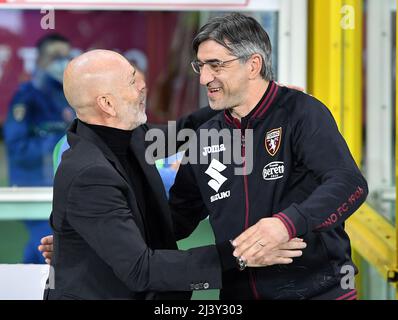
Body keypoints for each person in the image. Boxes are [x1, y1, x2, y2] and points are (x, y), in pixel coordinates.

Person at [42, 49, 305, 300]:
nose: (142, 86)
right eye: (132, 81)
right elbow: (141, 270)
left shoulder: (129, 136)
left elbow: (185, 130)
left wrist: (245, 98)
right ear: (107, 104)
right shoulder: (89, 175)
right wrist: (240, 254)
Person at [167, 13, 368, 300]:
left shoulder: (302, 112)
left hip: (319, 293)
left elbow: (350, 184)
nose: (204, 78)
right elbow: (179, 216)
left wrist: (286, 224)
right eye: (201, 66)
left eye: (216, 65)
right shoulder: (206, 135)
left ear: (253, 65)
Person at [3, 33, 74, 263]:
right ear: (41, 60)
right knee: (44, 245)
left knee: (53, 248)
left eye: (66, 56)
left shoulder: (67, 95)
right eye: (55, 57)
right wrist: (57, 142)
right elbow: (18, 147)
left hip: (65, 189)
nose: (61, 62)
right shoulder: (27, 97)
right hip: (33, 189)